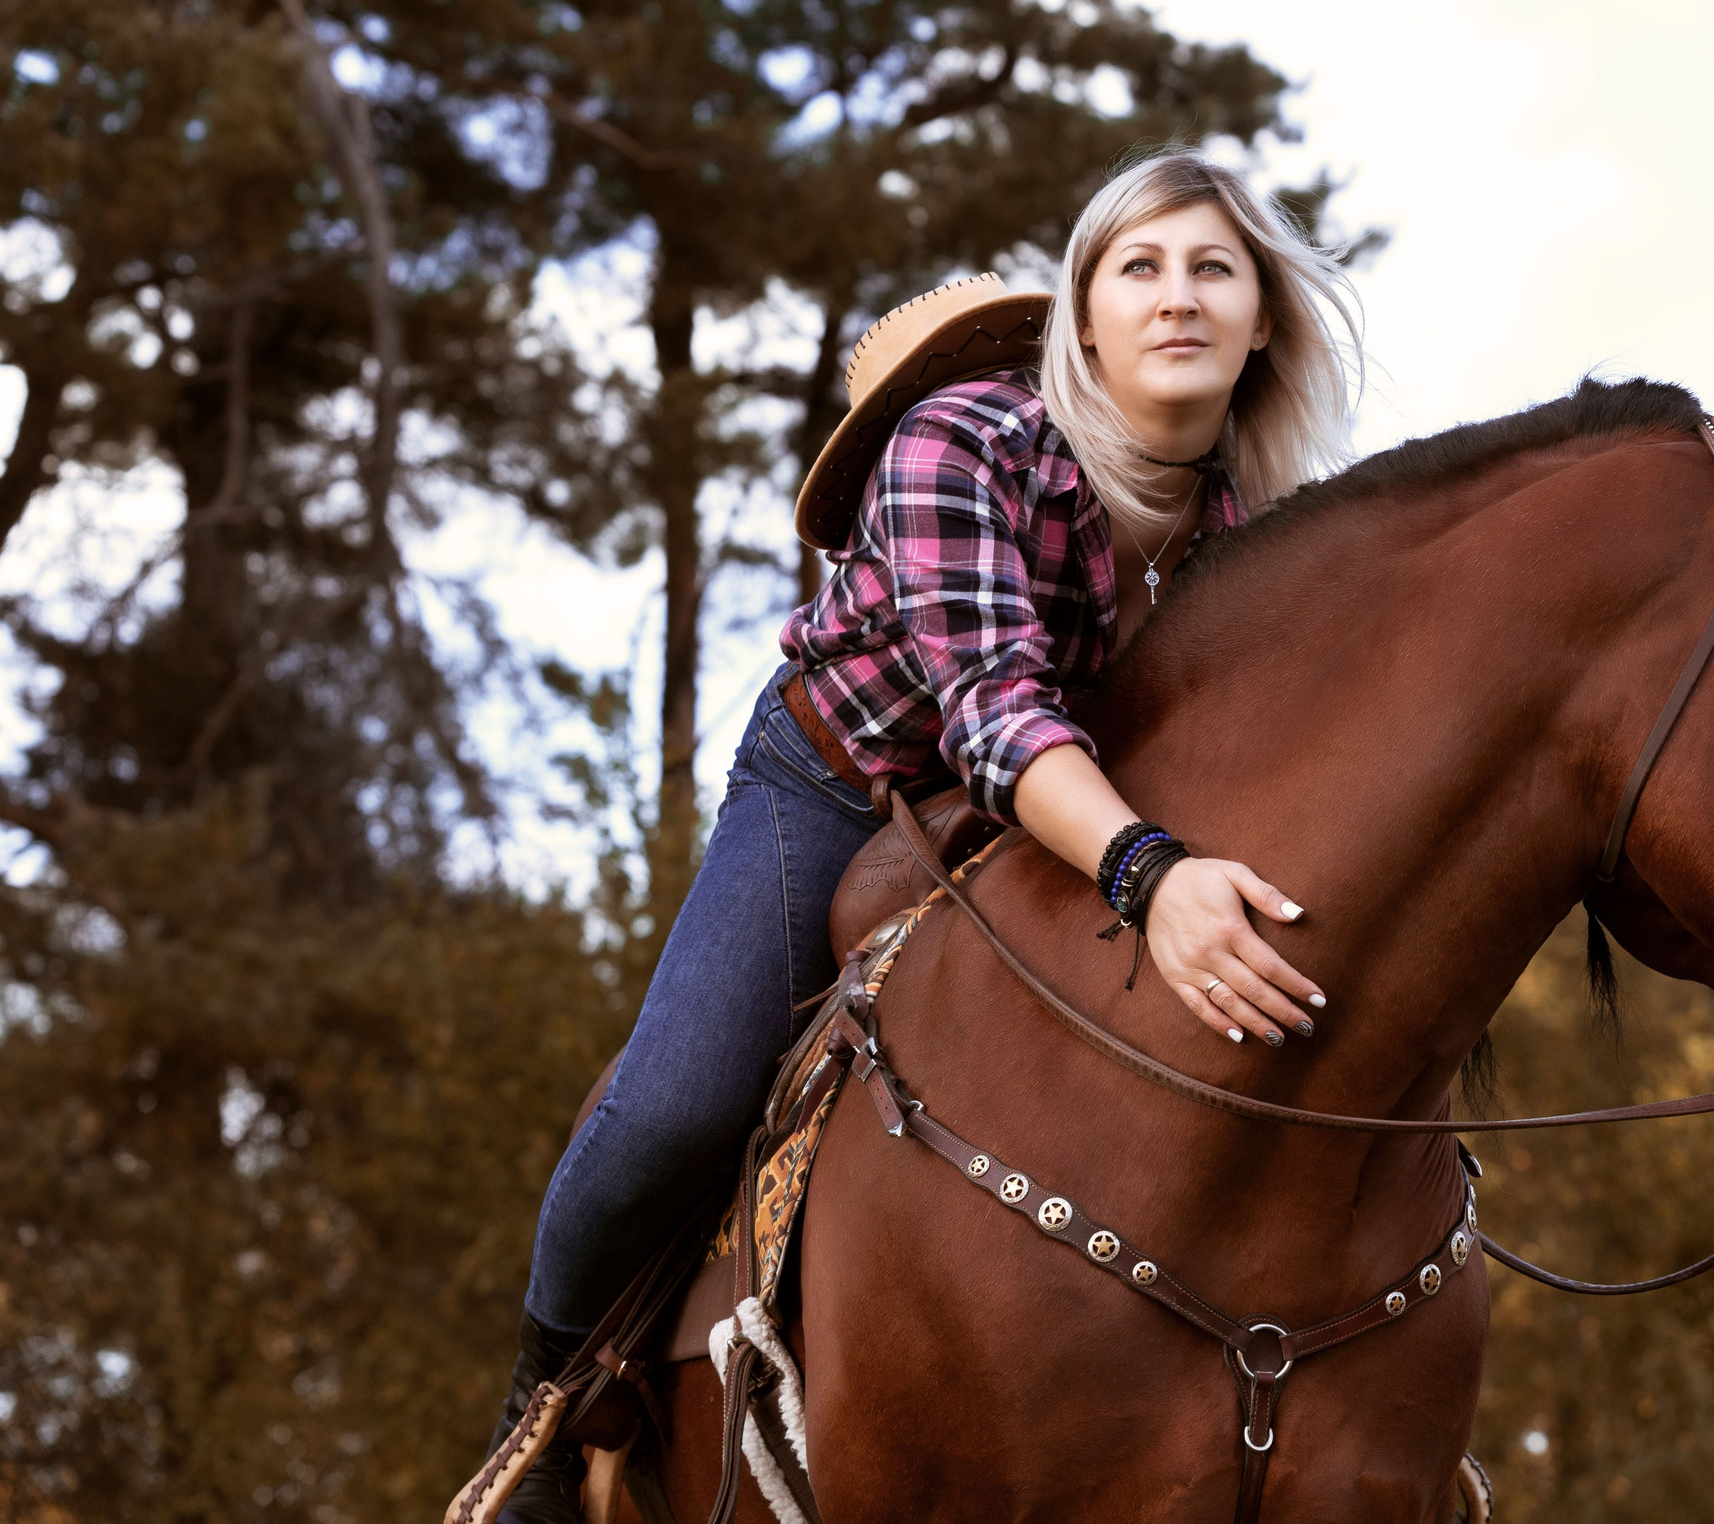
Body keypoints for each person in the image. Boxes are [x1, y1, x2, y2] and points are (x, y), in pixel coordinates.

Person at [475, 148, 1368, 1522]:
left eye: (1213, 269)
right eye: (1139, 267)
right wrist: (1152, 873)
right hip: (846, 784)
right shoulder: (962, 440)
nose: (1176, 297)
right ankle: (537, 1419)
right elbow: (998, 716)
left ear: (1263, 322)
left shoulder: (1261, 541)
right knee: (680, 1100)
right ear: (1083, 320)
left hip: (1082, 823)